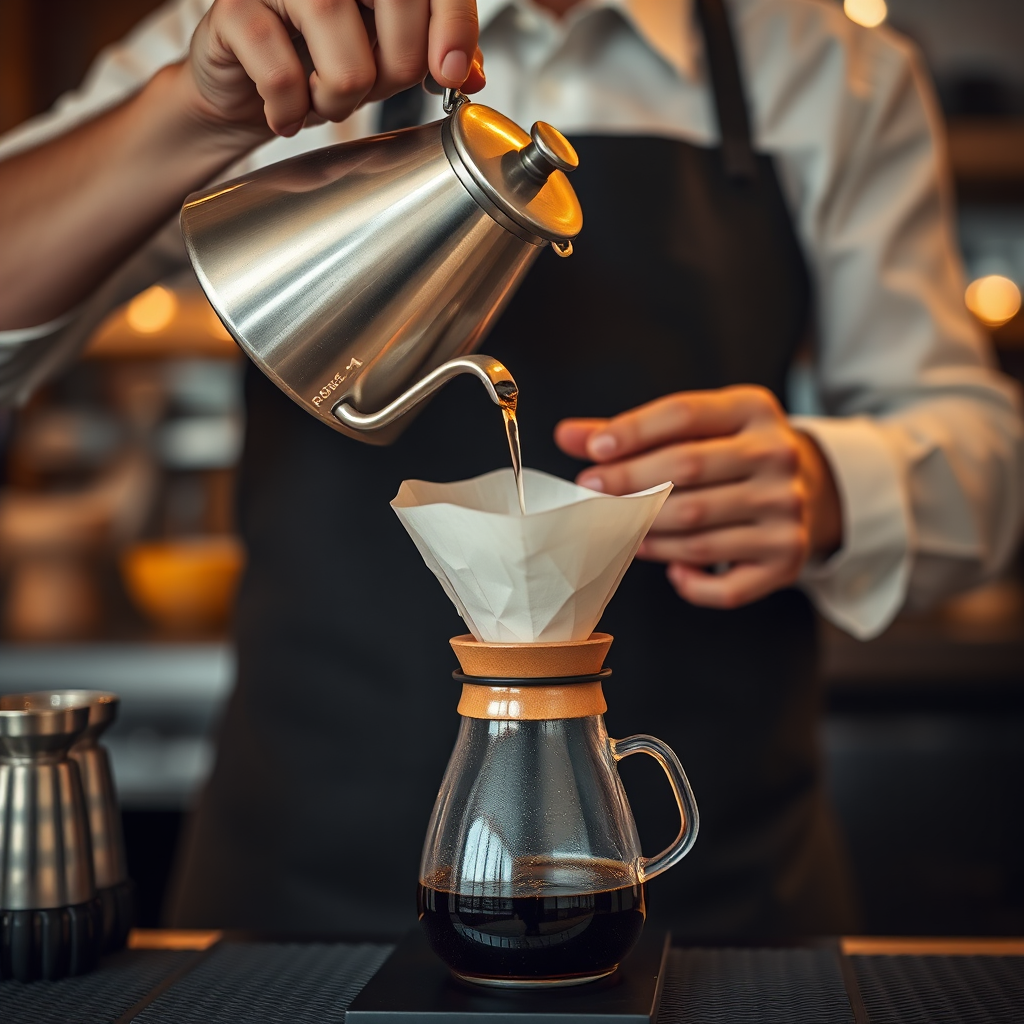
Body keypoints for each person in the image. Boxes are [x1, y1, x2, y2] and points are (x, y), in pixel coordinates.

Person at [0, 0, 1020, 941]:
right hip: (293, 901)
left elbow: (983, 453)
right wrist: (189, 113)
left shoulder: (827, 69)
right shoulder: (263, 25)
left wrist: (830, 481)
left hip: (712, 896)